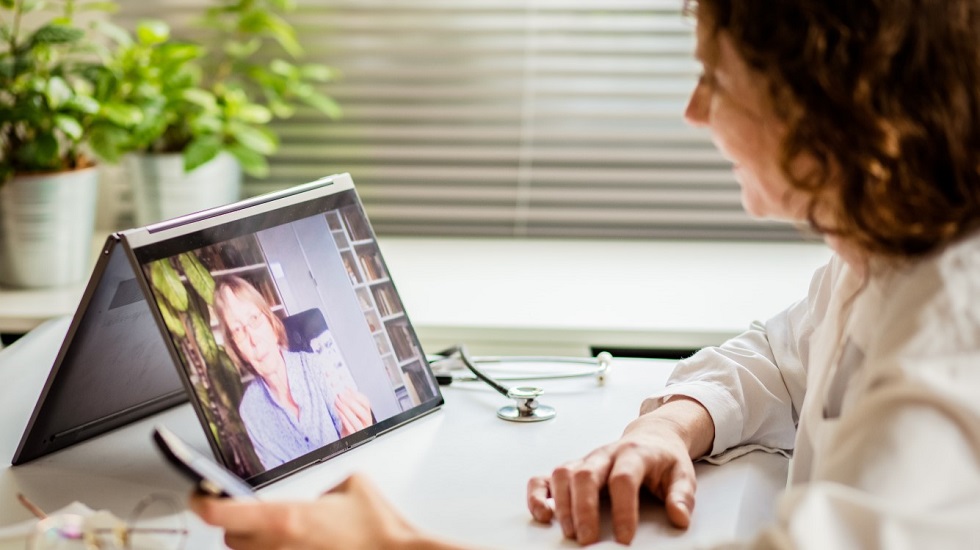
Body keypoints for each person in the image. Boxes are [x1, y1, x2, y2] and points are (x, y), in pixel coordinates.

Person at [191, 0, 980, 547]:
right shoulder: (879, 252)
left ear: (828, 108)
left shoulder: (950, 343)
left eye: (719, 79)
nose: (694, 112)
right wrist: (667, 427)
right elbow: (781, 361)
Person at [213, 276, 375, 471]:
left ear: (271, 324)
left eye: (254, 319)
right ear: (237, 350)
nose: (253, 340)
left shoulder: (317, 366)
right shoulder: (250, 410)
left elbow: (359, 454)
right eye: (238, 331)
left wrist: (360, 436)